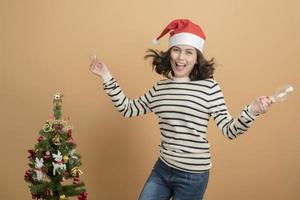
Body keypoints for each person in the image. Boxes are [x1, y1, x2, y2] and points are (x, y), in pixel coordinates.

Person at [89, 19, 272, 200]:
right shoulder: (160, 88)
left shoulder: (209, 88)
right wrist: (106, 75)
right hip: (163, 168)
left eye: (188, 52)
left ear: (196, 57)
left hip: (193, 176)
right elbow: (128, 109)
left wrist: (252, 111)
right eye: (176, 50)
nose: (181, 58)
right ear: (170, 53)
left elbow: (230, 131)